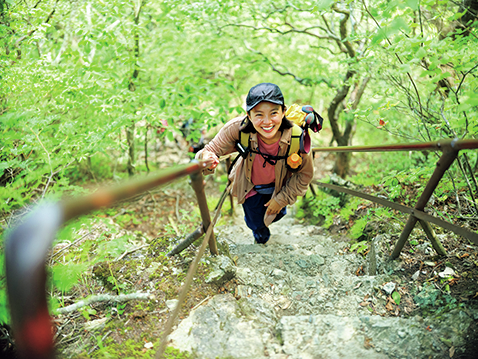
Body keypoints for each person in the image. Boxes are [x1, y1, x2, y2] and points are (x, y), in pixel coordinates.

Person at [196, 83, 314, 244]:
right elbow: (209, 150)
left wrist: (281, 199)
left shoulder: (296, 136)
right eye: (259, 115)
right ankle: (260, 237)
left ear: (283, 112)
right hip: (250, 185)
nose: (267, 122)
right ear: (249, 116)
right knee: (255, 222)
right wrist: (206, 158)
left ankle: (268, 219)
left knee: (278, 213)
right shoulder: (237, 128)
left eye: (274, 113)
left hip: (279, 185)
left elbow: (305, 174)